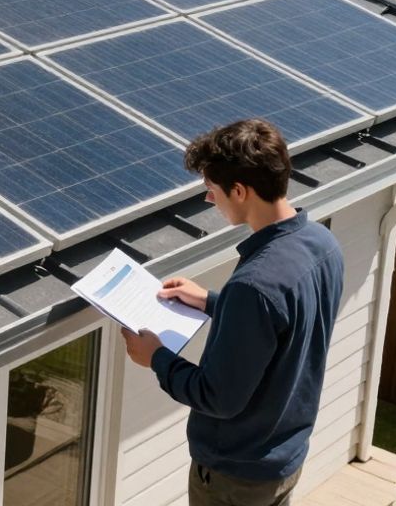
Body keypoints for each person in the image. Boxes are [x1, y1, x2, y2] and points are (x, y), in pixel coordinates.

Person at [120, 119, 344, 506]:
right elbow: (286, 326)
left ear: (239, 191)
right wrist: (210, 301)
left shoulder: (254, 286)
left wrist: (156, 358)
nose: (210, 201)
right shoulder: (323, 245)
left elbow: (218, 397)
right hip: (284, 460)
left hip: (235, 480)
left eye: (211, 190)